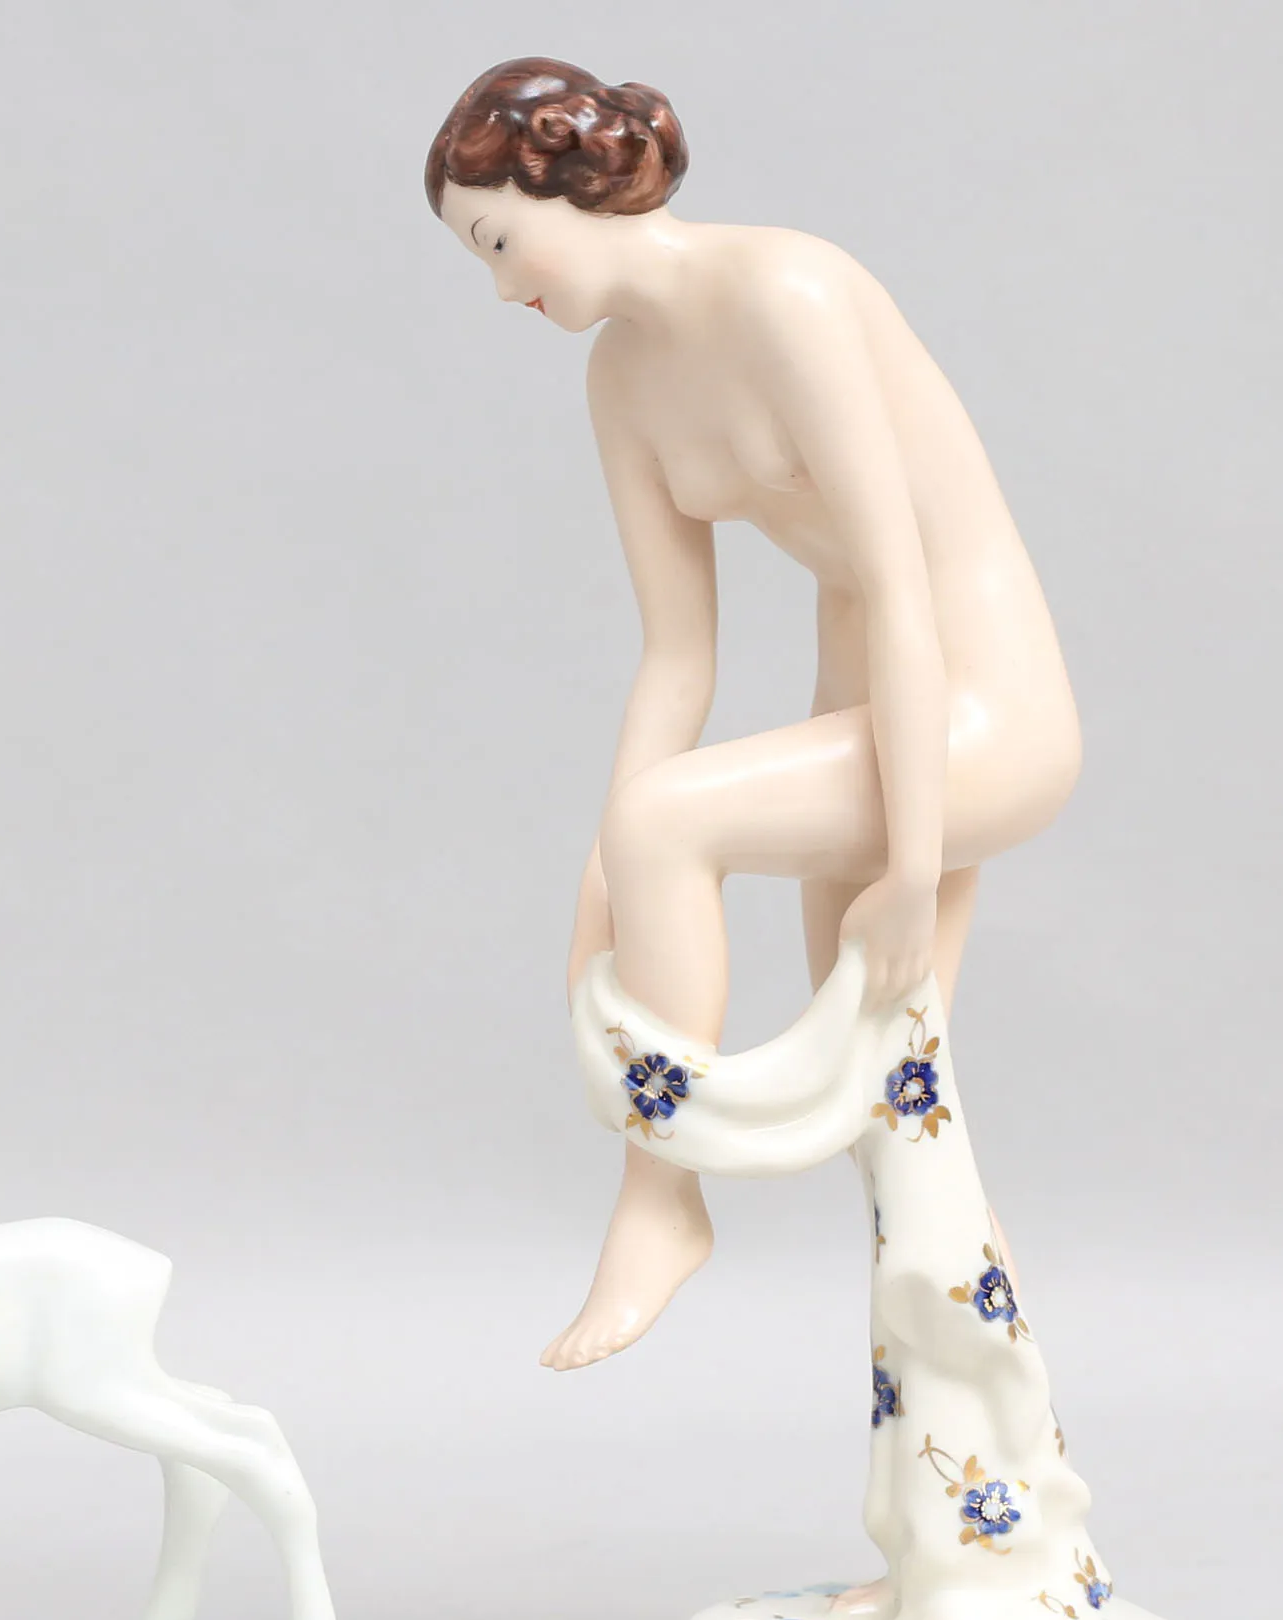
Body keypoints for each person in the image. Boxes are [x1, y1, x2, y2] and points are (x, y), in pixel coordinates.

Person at [428, 63, 1083, 1372]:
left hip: (976, 705)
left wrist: (913, 863)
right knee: (897, 1105)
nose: (501, 290)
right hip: (874, 724)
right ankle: (980, 1451)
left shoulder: (788, 289)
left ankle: (658, 1202)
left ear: (576, 186)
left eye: (499, 243)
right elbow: (678, 657)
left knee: (678, 829)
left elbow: (901, 583)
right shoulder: (620, 380)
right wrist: (600, 877)